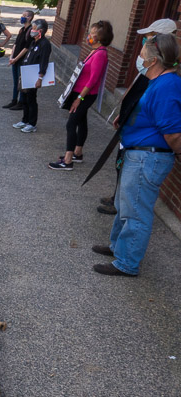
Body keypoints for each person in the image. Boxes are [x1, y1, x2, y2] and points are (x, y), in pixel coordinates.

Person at [92, 34, 181, 277]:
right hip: (137, 154)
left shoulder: (167, 86)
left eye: (142, 56)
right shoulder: (157, 81)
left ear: (153, 61)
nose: (139, 60)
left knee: (136, 212)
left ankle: (127, 263)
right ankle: (118, 248)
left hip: (147, 158)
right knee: (124, 206)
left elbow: (173, 133)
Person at [96, 18, 178, 215]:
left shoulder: (166, 79)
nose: (145, 41)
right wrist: (124, 114)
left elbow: (169, 126)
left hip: (146, 150)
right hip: (133, 136)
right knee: (123, 171)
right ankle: (118, 197)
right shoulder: (152, 70)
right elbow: (136, 93)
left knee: (135, 212)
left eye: (150, 36)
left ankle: (120, 201)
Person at [49, 20, 113, 171]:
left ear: (99, 37)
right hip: (80, 91)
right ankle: (78, 152)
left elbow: (93, 79)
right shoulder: (95, 51)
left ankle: (68, 160)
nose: (89, 36)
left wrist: (79, 98)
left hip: (85, 94)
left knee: (71, 123)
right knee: (81, 121)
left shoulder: (100, 54)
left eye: (92, 33)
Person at [12, 19, 51, 133]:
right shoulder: (34, 41)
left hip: (34, 75)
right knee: (23, 99)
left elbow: (44, 62)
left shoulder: (45, 44)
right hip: (25, 73)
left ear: (41, 31)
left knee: (31, 100)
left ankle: (32, 123)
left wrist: (40, 78)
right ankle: (25, 120)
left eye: (34, 29)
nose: (32, 31)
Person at [4, 10, 34, 110]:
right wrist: (11, 56)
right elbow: (16, 44)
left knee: (21, 82)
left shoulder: (30, 31)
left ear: (29, 18)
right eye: (22, 15)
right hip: (15, 60)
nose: (22, 17)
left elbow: (26, 48)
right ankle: (14, 100)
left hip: (22, 60)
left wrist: (16, 59)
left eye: (24, 16)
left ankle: (21, 102)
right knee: (16, 81)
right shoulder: (21, 30)